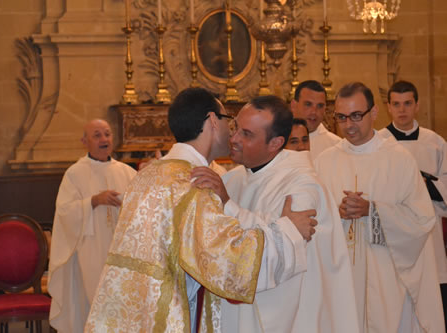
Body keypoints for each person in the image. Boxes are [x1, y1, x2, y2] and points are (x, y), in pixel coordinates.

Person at [85, 88, 317, 333]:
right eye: (229, 121)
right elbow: (230, 263)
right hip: (168, 317)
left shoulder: (148, 175)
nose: (233, 133)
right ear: (213, 120)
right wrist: (289, 231)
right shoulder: (193, 183)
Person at [191, 95, 359, 332]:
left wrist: (228, 204)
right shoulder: (232, 178)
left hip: (290, 317)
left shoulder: (302, 186)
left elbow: (282, 252)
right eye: (235, 127)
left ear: (275, 143)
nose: (234, 138)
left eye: (247, 134)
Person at [315, 82, 444, 332]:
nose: (348, 125)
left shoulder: (398, 159)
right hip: (340, 276)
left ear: (373, 113)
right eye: (341, 117)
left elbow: (421, 221)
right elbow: (314, 221)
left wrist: (372, 211)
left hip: (387, 278)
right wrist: (335, 213)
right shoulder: (325, 161)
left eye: (356, 116)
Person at [47, 119, 137, 333]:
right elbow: (64, 213)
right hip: (89, 253)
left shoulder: (128, 173)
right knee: (92, 307)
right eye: (97, 135)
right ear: (84, 141)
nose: (104, 139)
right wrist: (93, 201)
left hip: (122, 255)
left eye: (107, 134)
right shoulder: (74, 174)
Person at [379, 80, 447, 327]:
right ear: (388, 107)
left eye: (407, 103)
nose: (402, 110)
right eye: (396, 104)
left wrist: (423, 185)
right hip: (393, 232)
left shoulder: (435, 142)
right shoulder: (379, 143)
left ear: (417, 106)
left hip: (430, 233)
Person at [291, 80, 341, 159]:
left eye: (320, 106)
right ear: (294, 106)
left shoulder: (337, 146)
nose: (314, 112)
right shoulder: (278, 141)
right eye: (308, 104)